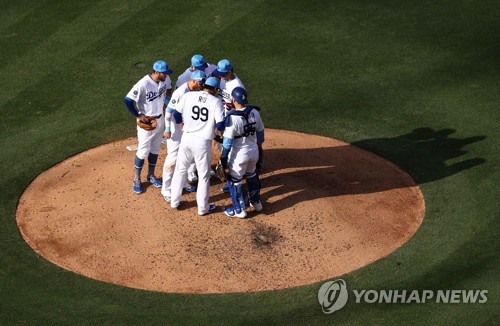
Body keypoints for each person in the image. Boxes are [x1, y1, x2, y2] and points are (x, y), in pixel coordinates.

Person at [169, 77, 225, 215]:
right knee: (204, 176)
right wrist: (219, 133)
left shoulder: (189, 95)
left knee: (180, 170)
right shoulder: (216, 102)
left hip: (186, 138)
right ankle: (203, 208)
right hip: (202, 143)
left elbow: (175, 113)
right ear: (215, 89)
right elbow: (220, 125)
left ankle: (174, 201)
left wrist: (182, 126)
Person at [124, 60, 173, 194]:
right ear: (157, 72)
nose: (167, 75)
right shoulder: (143, 84)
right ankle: (136, 179)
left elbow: (168, 90)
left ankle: (151, 175)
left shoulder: (165, 80)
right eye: (164, 73)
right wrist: (138, 115)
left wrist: (165, 103)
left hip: (160, 120)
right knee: (143, 150)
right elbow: (127, 100)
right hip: (146, 123)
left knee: (155, 149)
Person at [161, 70, 207, 202]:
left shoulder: (195, 91)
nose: (202, 85)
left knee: (187, 155)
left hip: (187, 128)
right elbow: (169, 111)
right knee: (173, 158)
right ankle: (166, 188)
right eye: (200, 82)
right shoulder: (180, 92)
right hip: (176, 129)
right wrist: (168, 129)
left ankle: (184, 182)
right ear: (193, 80)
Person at [219, 87, 265, 218]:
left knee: (235, 181)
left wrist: (223, 158)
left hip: (239, 154)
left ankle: (239, 210)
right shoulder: (255, 112)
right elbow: (261, 134)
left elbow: (227, 143)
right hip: (253, 151)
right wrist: (259, 149)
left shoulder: (232, 118)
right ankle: (256, 203)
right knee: (252, 175)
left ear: (233, 100)